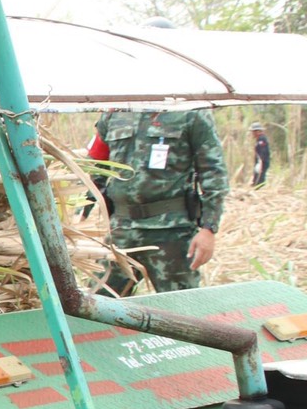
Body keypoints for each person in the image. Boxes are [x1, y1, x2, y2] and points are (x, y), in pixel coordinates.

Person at [87, 108, 228, 294]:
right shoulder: (115, 112)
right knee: (98, 303)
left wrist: (209, 228)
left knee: (180, 309)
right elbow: (96, 163)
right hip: (122, 230)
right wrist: (89, 203)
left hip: (170, 232)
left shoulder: (190, 113)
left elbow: (213, 171)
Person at [251, 122, 270, 187]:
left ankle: (258, 188)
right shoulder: (259, 139)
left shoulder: (262, 139)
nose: (252, 134)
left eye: (253, 132)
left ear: (258, 131)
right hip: (260, 162)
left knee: (259, 178)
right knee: (257, 176)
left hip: (262, 162)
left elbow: (263, 151)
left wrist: (260, 162)